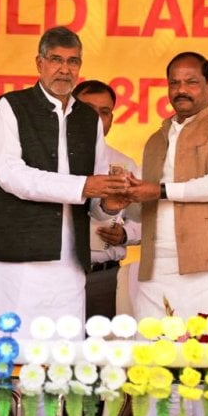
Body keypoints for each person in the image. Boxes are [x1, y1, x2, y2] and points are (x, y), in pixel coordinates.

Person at [122, 52, 208, 416]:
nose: (182, 90)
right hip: (157, 272)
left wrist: (157, 190)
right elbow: (146, 205)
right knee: (163, 375)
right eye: (174, 83)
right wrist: (118, 204)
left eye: (191, 82)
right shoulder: (154, 139)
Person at [0, 26, 121, 337]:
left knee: (63, 358)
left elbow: (95, 200)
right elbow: (12, 175)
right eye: (56, 59)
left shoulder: (89, 119)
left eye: (73, 61)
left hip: (70, 263)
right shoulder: (10, 107)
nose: (65, 70)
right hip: (15, 260)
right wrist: (84, 186)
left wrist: (108, 204)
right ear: (39, 63)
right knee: (6, 351)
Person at [74, 80, 141, 319]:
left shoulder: (126, 165)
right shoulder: (50, 161)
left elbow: (146, 221)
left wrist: (126, 234)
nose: (97, 119)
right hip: (55, 274)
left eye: (104, 112)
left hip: (104, 277)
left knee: (101, 353)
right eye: (88, 110)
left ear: (111, 119)